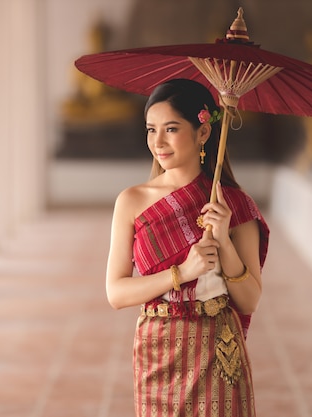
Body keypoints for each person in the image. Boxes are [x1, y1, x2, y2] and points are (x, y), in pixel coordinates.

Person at [105, 78, 269, 417]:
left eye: (171, 129)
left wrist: (224, 239)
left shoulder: (234, 205)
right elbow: (116, 293)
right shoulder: (131, 202)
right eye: (151, 130)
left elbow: (250, 299)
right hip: (157, 350)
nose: (158, 142)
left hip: (216, 347)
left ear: (204, 132)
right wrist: (182, 273)